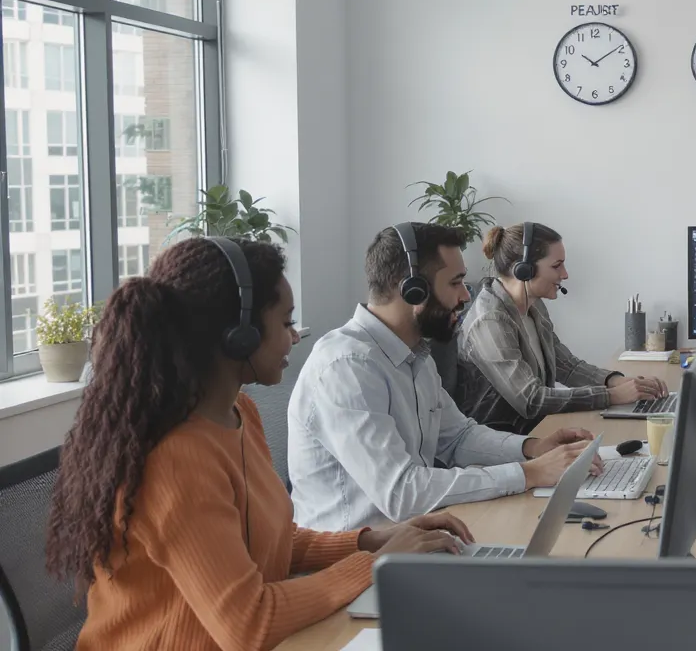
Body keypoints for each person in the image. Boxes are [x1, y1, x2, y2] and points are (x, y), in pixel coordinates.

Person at [45, 237, 473, 651]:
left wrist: (371, 541)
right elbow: (249, 624)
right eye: (286, 322)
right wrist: (377, 564)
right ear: (238, 334)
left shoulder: (240, 413)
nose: (295, 336)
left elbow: (268, 539)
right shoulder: (177, 457)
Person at [288, 223, 601, 532]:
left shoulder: (415, 354)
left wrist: (533, 447)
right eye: (456, 283)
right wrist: (528, 474)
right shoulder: (347, 367)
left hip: (409, 542)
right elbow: (403, 493)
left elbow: (459, 437)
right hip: (352, 566)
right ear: (413, 290)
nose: (466, 295)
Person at [451, 222, 667, 434]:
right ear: (523, 270)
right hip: (504, 441)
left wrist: (616, 381)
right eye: (556, 266)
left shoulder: (534, 306)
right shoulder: (490, 321)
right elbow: (531, 400)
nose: (565, 274)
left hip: (535, 428)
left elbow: (566, 366)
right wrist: (612, 395)